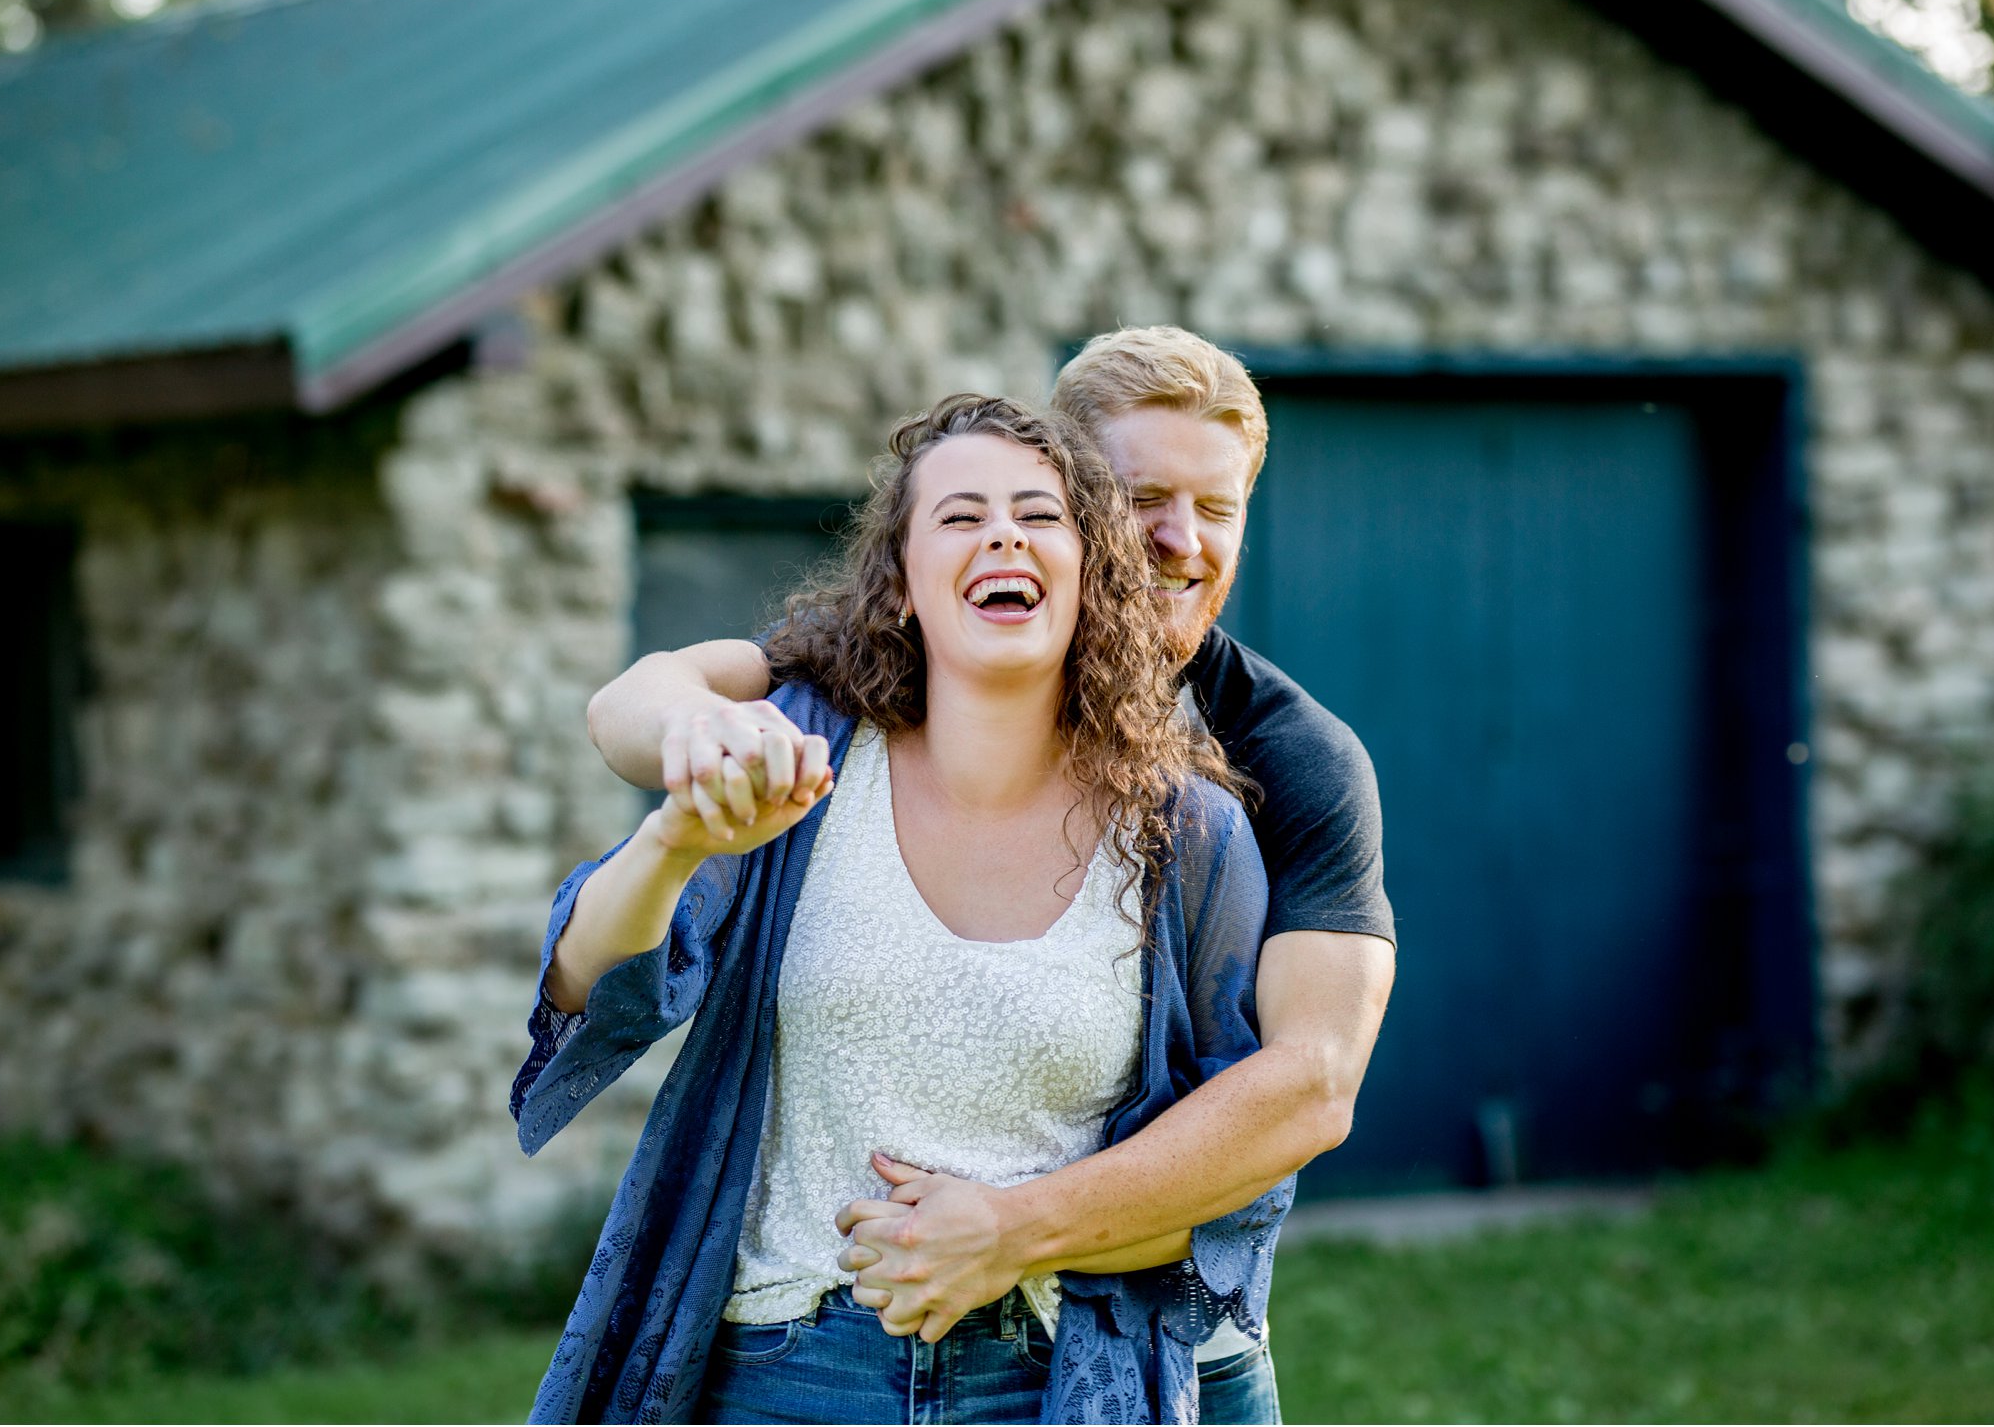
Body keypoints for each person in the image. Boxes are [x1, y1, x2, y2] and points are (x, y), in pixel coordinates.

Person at [586, 328, 1395, 1425]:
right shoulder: (890, 671)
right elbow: (647, 698)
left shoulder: (1286, 761)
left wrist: (1011, 1227)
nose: (1177, 539)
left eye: (1217, 507)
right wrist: (700, 763)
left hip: (1173, 1347)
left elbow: (1308, 1084)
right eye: (1141, 495)